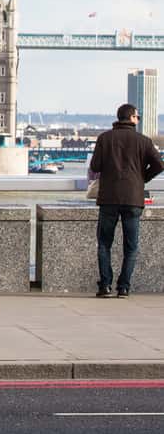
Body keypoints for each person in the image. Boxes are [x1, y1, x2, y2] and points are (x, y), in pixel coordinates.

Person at [90, 103, 164, 297]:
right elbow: (159, 164)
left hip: (109, 198)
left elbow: (95, 165)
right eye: (137, 117)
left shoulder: (104, 138)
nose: (138, 120)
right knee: (131, 247)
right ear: (131, 118)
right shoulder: (144, 141)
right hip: (133, 198)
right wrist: (142, 177)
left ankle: (105, 286)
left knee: (104, 243)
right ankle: (124, 287)